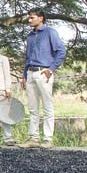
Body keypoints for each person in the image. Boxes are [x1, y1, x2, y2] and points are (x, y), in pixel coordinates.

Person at [19, 8, 66, 149]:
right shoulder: (30, 36)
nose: (29, 20)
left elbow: (61, 51)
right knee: (33, 108)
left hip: (43, 72)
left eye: (32, 17)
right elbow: (28, 57)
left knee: (47, 106)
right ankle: (33, 138)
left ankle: (48, 138)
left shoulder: (50, 32)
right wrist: (24, 75)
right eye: (29, 17)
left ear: (41, 18)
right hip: (31, 73)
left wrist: (51, 69)